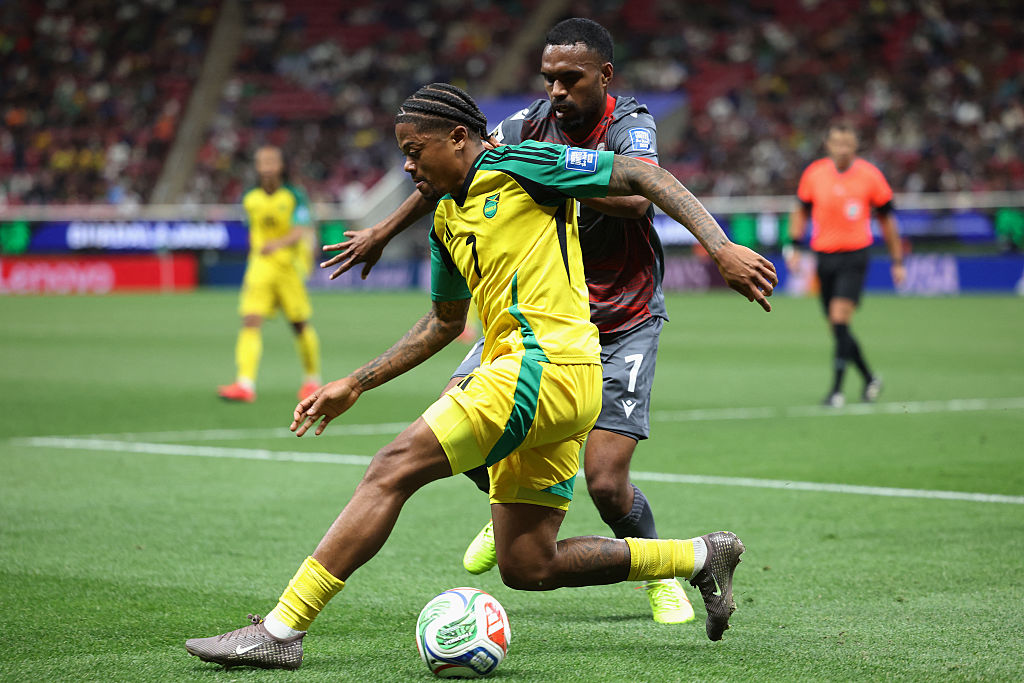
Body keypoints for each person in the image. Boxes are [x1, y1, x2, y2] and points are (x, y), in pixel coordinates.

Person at [184, 83, 776, 670]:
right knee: (528, 566)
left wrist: (719, 246)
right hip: (551, 382)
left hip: (544, 365)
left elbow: (645, 178)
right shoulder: (445, 217)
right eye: (404, 152)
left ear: (459, 137)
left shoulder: (525, 164)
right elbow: (443, 324)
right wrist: (356, 383)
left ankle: (282, 629)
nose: (408, 164)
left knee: (393, 467)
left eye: (416, 150)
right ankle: (700, 556)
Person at [321, 18, 708, 625]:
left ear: (604, 76)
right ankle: (510, 507)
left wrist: (546, 176)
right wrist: (382, 230)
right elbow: (449, 167)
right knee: (456, 404)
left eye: (570, 78)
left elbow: (637, 196)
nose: (556, 90)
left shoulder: (628, 122)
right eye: (548, 77)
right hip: (539, 314)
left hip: (621, 314)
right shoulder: (520, 129)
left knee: (606, 483)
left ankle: (663, 574)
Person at [786, 122, 904, 407]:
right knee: (837, 328)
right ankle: (870, 378)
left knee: (839, 319)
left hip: (855, 256)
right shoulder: (814, 174)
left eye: (847, 144)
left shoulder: (870, 176)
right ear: (828, 145)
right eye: (837, 143)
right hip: (824, 258)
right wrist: (793, 246)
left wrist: (897, 260)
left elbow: (887, 221)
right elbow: (800, 212)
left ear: (855, 146)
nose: (842, 149)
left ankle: (836, 391)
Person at [217, 146, 322, 403]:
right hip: (260, 268)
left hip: (288, 269)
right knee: (250, 321)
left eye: (271, 160)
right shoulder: (250, 198)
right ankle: (245, 383)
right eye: (261, 160)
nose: (266, 164)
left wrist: (278, 244)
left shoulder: (295, 195)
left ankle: (312, 380)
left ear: (281, 165)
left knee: (299, 324)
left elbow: (301, 229)